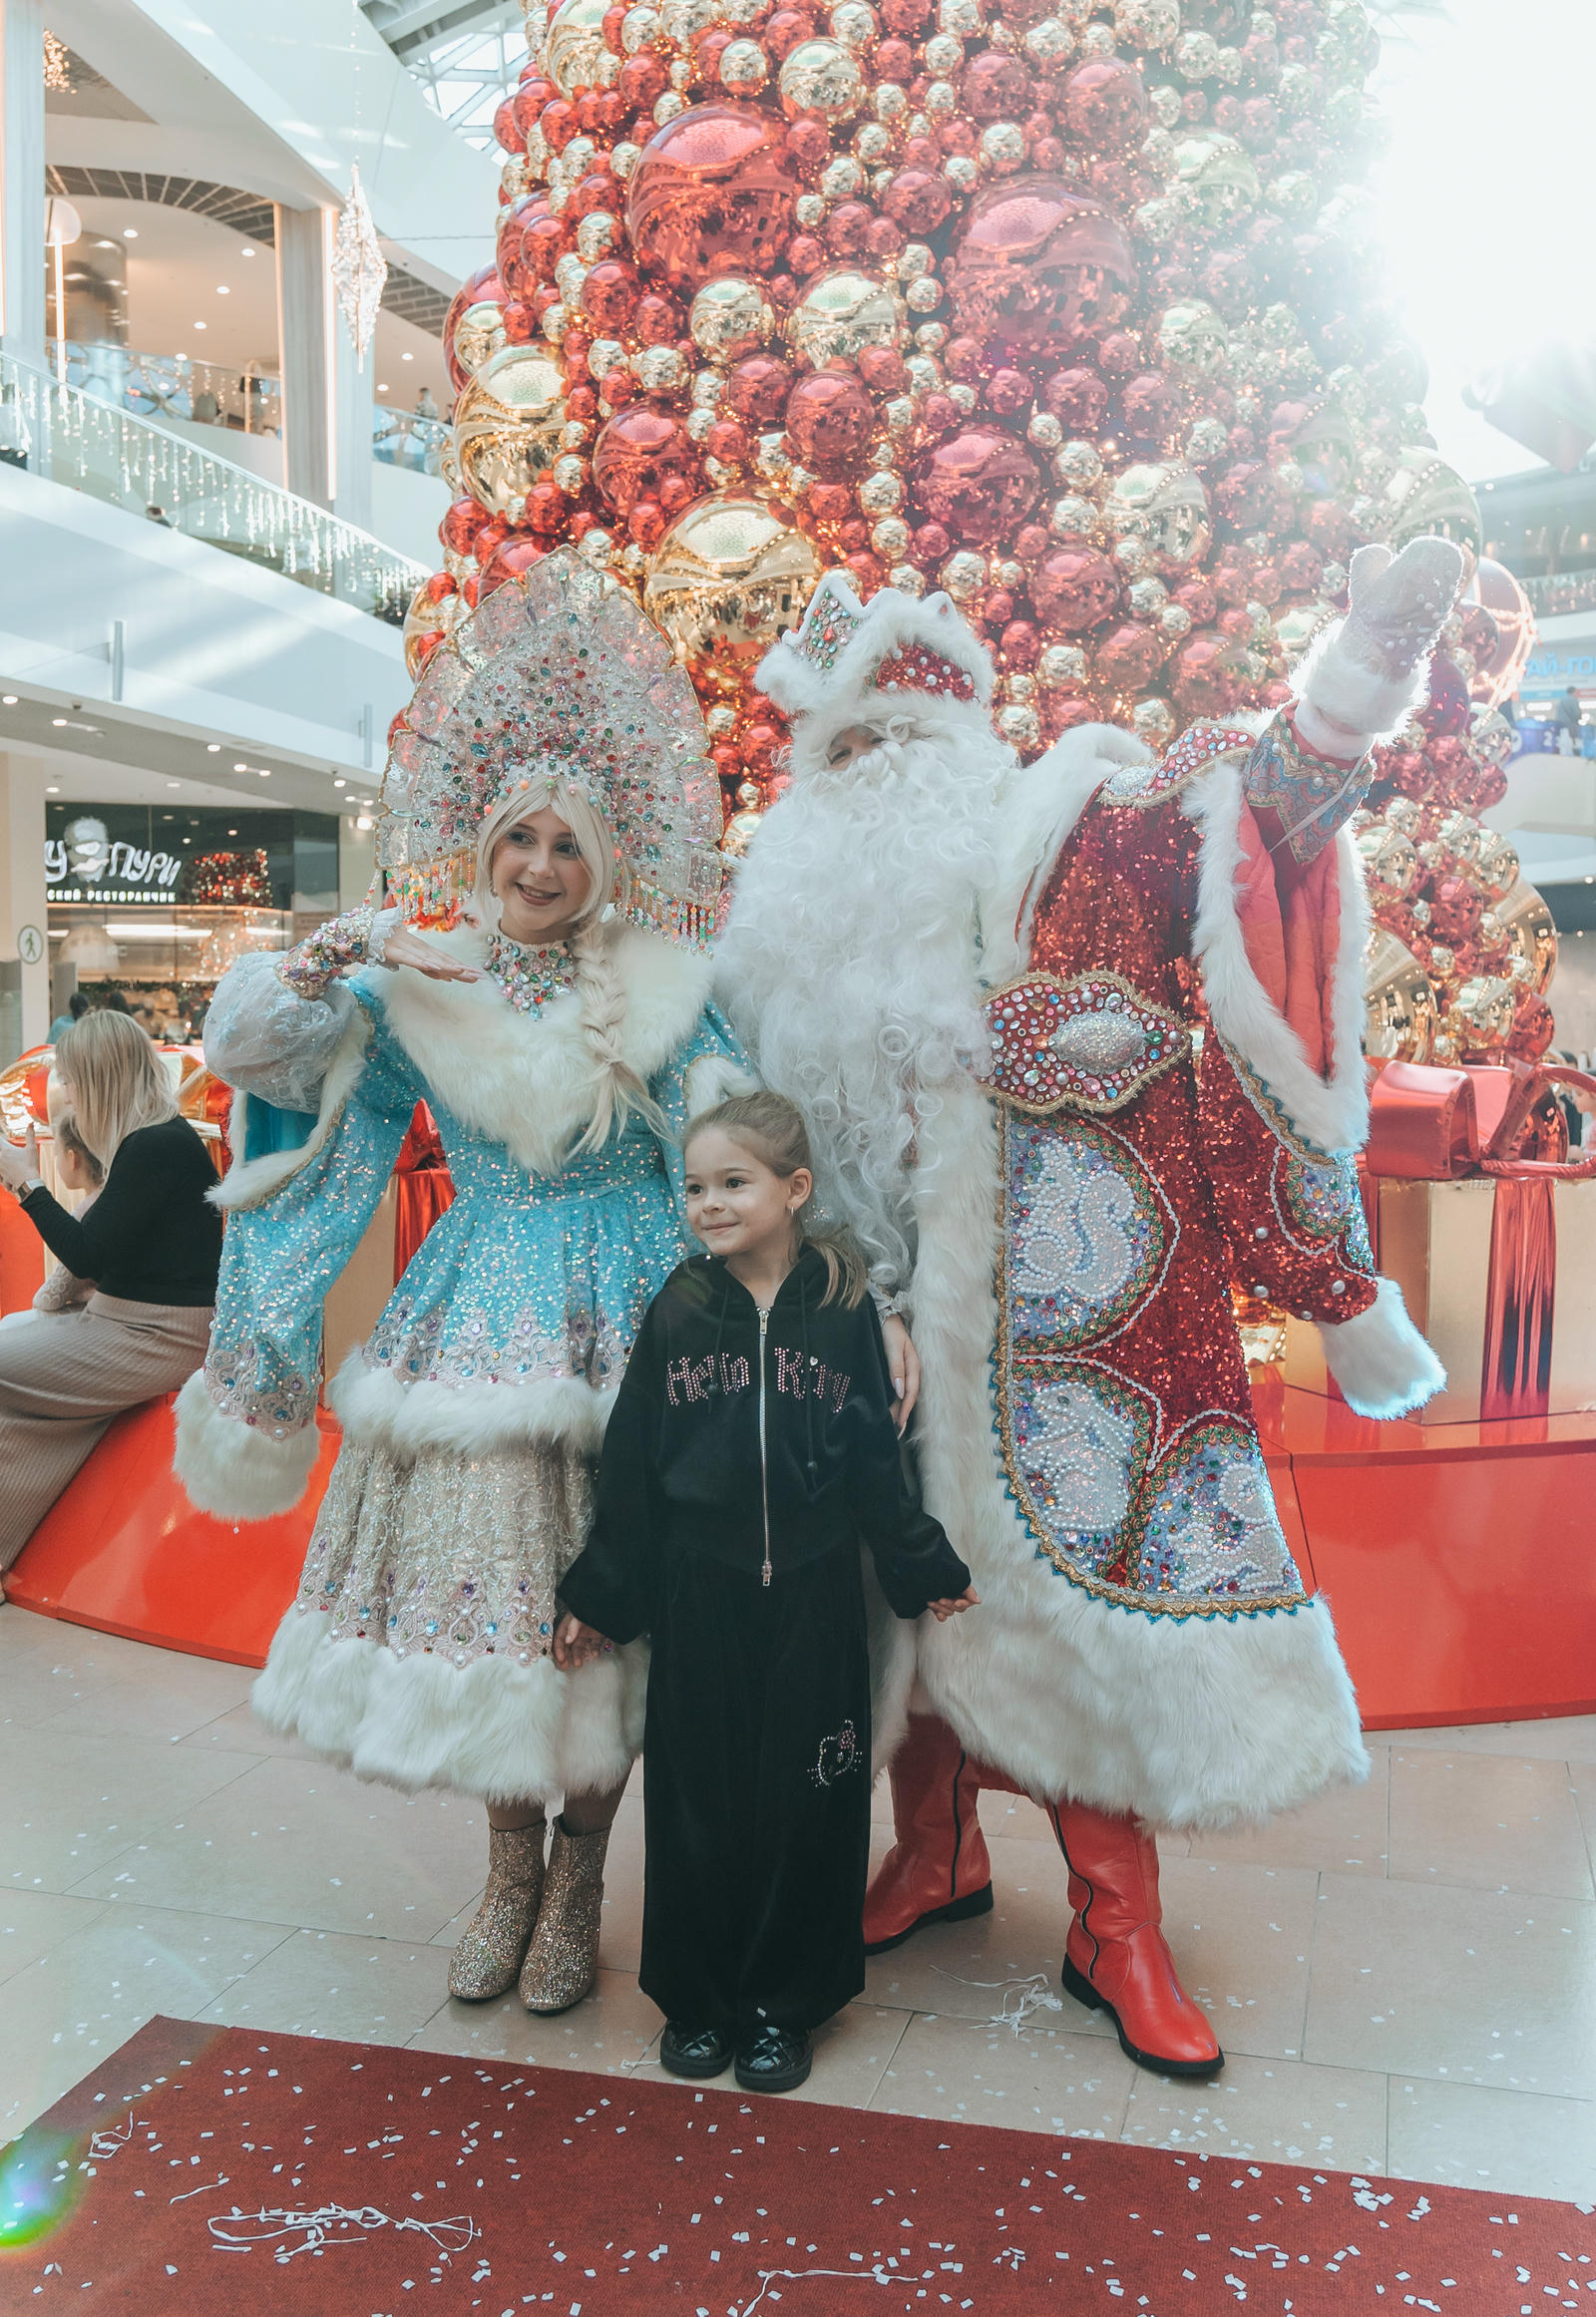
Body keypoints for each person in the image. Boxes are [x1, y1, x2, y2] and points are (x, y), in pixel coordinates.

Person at [718, 535, 1462, 2079]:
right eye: (840, 753)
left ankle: (1116, 1924)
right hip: (854, 1327)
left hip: (1060, 1343)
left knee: (1065, 1609)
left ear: (959, 755)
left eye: (895, 748)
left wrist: (1350, 689)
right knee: (891, 1599)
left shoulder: (1065, 848)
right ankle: (935, 1853)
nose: (863, 785)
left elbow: (1248, 809)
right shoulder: (772, 947)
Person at [172, 551, 781, 2020]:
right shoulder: (419, 977)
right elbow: (256, 1059)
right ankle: (508, 1869)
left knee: (617, 1606)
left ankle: (581, 1875)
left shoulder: (667, 986)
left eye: (567, 845)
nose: (540, 868)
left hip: (635, 1317)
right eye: (519, 839)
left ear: (605, 858)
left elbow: (740, 1142)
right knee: (499, 1606)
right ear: (482, 843)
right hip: (475, 1319)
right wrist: (339, 946)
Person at [554, 1092, 975, 2093]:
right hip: (698, 1595)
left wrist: (920, 1562)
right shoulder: (678, 1307)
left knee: (808, 1803)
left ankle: (784, 2005)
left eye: (733, 1182)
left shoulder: (842, 1310)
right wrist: (603, 1591)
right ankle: (698, 1999)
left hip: (816, 1604)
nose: (709, 1203)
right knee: (695, 1801)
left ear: (794, 1189)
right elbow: (632, 1463)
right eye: (696, 1186)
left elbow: (873, 1455)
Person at [0, 1010, 221, 1578]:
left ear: (99, 1079)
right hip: (133, 1324)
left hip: (153, 1334)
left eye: (71, 1078)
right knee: (23, 1416)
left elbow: (87, 1254)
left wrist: (26, 1182)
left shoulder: (154, 1145)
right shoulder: (155, 1140)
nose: (66, 1093)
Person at [1553, 686, 1582, 754]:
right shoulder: (1573, 699)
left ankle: (1559, 753)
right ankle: (1574, 753)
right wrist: (1579, 718)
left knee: (1561, 738)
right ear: (1573, 692)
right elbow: (1576, 712)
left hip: (1559, 723)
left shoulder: (1562, 700)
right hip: (1570, 723)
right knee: (1573, 739)